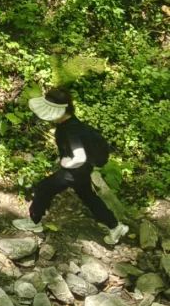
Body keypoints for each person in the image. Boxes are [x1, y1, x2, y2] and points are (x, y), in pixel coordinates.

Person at [12, 89, 128, 245]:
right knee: (88, 197)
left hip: (74, 172)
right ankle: (115, 226)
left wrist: (66, 163)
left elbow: (80, 157)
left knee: (43, 188)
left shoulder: (70, 131)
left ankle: (34, 222)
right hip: (84, 170)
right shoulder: (73, 123)